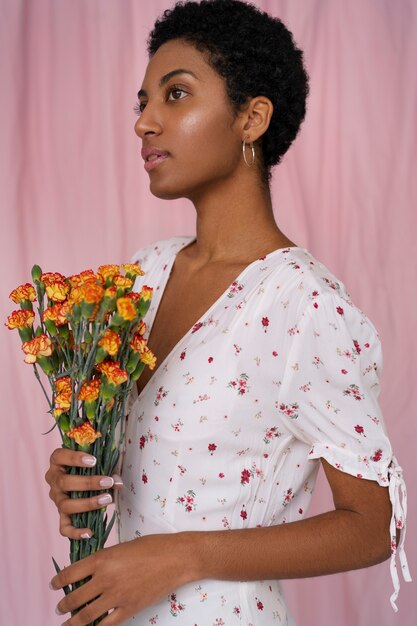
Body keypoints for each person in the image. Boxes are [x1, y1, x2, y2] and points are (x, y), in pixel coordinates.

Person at [45, 1, 410, 624]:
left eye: (176, 94)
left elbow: (373, 528)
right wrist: (78, 471)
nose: (145, 123)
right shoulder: (143, 277)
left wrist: (181, 556)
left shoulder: (303, 306)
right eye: (143, 103)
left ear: (252, 118)